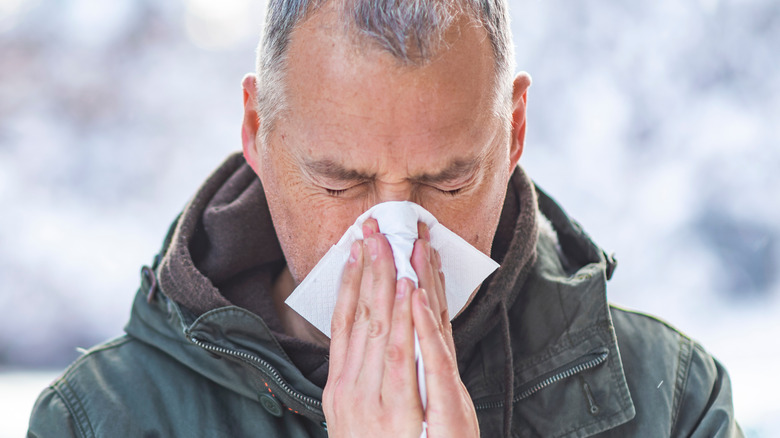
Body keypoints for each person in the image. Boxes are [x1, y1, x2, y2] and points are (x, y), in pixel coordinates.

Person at [28, 0, 743, 436]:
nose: (396, 238)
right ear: (258, 129)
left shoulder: (672, 403)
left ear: (514, 128)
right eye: (341, 182)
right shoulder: (101, 422)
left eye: (448, 179)